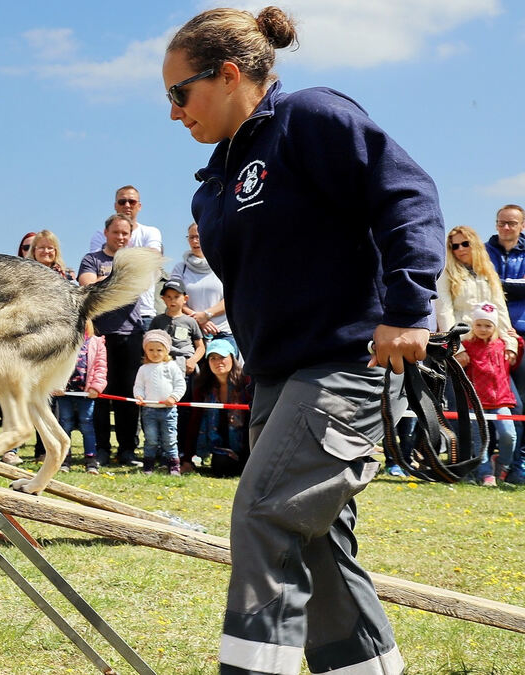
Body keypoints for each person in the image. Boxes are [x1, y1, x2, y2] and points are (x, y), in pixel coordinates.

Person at [164, 7, 445, 673]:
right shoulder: (212, 187)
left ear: (229, 74)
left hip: (345, 364)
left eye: (181, 93)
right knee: (317, 546)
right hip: (275, 380)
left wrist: (409, 306)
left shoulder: (312, 118)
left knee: (266, 516)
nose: (174, 112)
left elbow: (406, 193)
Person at [78, 213, 144, 466]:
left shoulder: (135, 260)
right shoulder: (92, 259)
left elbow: (134, 288)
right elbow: (88, 287)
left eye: (125, 233)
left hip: (131, 334)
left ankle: (127, 450)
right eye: (116, 232)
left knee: (128, 396)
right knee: (100, 394)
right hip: (100, 335)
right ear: (106, 233)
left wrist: (108, 280)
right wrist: (118, 276)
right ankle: (102, 449)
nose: (121, 237)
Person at [484, 204, 525, 486]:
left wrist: (499, 286)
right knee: (487, 402)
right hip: (490, 337)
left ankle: (518, 465)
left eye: (512, 223)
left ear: (522, 225)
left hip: (522, 333)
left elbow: (493, 286)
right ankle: (483, 463)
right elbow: (481, 286)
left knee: (522, 403)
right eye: (501, 223)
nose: (506, 228)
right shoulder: (485, 252)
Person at [457, 304, 518, 486]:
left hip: (501, 399)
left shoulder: (503, 346)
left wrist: (518, 343)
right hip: (475, 402)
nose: (483, 329)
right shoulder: (466, 346)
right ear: (473, 326)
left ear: (495, 327)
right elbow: (451, 354)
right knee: (481, 441)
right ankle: (485, 475)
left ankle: (502, 464)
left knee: (509, 435)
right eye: (479, 325)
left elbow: (515, 361)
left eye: (488, 326)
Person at [90, 186, 163, 324]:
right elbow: (94, 271)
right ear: (115, 205)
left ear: (139, 206)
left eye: (132, 201)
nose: (127, 205)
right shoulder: (99, 235)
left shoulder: (150, 232)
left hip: (143, 313)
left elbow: (154, 259)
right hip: (107, 312)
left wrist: (115, 268)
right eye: (122, 201)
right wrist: (138, 265)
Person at [179, 340, 252, 477]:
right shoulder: (203, 386)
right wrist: (187, 459)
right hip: (219, 444)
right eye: (213, 358)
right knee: (221, 466)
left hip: (246, 442)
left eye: (222, 357)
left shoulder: (246, 382)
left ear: (232, 358)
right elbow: (195, 420)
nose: (218, 362)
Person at [438, 226, 516, 350]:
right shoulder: (446, 274)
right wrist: (456, 349)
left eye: (465, 243)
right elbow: (444, 311)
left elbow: (499, 308)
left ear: (475, 244)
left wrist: (510, 345)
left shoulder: (488, 271)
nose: (461, 249)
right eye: (455, 246)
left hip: (490, 344)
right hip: (463, 342)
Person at [170, 223, 235, 353]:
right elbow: (173, 298)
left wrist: (207, 315)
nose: (195, 241)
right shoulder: (180, 268)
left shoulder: (223, 264)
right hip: (190, 335)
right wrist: (199, 320)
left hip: (222, 333)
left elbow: (232, 296)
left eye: (198, 237)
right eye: (191, 237)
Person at [55, 320, 105, 474]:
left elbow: (101, 367)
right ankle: (64, 460)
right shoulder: (62, 341)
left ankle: (91, 460)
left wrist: (96, 387)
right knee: (65, 424)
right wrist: (55, 385)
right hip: (64, 393)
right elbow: (54, 365)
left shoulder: (97, 343)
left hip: (86, 394)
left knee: (87, 425)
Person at [134, 330, 185, 475]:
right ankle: (148, 466)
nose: (155, 353)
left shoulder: (172, 366)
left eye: (159, 350)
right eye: (151, 350)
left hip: (169, 411)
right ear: (145, 351)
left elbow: (180, 384)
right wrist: (139, 396)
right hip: (149, 410)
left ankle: (174, 466)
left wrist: (173, 397)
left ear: (166, 350)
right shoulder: (143, 369)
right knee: (150, 439)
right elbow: (138, 386)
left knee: (169, 440)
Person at [150, 279, 205, 376]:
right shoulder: (157, 321)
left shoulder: (190, 321)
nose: (172, 300)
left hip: (185, 367)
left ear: (185, 298)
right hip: (162, 366)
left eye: (176, 296)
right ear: (163, 299)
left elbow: (200, 347)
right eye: (168, 297)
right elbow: (149, 344)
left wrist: (192, 361)